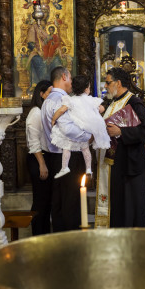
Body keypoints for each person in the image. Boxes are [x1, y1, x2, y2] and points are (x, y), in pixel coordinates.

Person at [95, 67, 145, 228]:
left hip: (129, 166)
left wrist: (121, 131)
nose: (105, 86)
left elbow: (144, 130)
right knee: (118, 206)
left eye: (108, 82)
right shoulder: (112, 103)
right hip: (115, 164)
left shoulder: (134, 102)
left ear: (118, 83)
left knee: (130, 208)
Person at [41, 66, 92, 232]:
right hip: (69, 158)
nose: (71, 83)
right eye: (70, 78)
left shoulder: (48, 100)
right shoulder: (61, 100)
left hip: (54, 156)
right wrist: (88, 137)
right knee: (71, 203)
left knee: (59, 203)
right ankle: (72, 243)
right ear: (64, 77)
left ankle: (60, 240)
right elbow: (69, 130)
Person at [50, 75, 110, 178]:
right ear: (87, 89)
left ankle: (64, 167)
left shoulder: (70, 100)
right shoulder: (91, 100)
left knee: (67, 147)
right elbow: (101, 109)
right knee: (85, 149)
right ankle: (88, 169)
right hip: (87, 128)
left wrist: (54, 119)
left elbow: (61, 110)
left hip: (76, 127)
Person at [26, 80, 53, 235]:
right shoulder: (35, 112)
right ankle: (37, 236)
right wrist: (42, 164)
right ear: (41, 94)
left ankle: (44, 235)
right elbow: (33, 141)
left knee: (46, 201)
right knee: (40, 202)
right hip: (38, 159)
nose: (51, 96)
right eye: (49, 92)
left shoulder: (44, 110)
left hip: (45, 157)